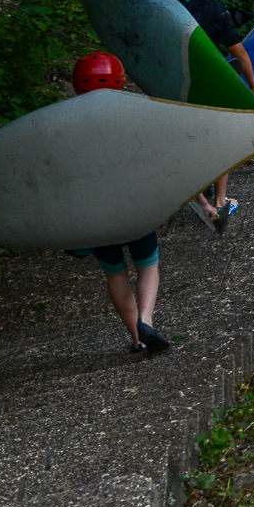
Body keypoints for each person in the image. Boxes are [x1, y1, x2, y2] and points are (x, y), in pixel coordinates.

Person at [66, 52, 169, 352]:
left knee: (115, 273)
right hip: (133, 209)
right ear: (120, 82)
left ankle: (137, 341)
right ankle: (146, 321)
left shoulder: (64, 123)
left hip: (95, 216)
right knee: (148, 265)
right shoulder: (133, 114)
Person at [169, 0, 254, 232]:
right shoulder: (216, 10)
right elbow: (238, 53)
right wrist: (253, 87)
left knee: (189, 141)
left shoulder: (165, 10)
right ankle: (220, 201)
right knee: (221, 142)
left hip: (176, 87)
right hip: (211, 85)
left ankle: (199, 190)